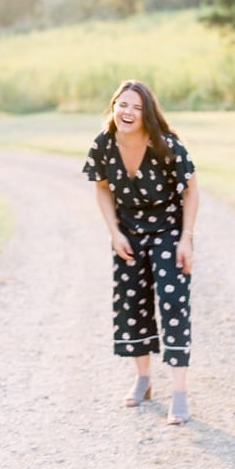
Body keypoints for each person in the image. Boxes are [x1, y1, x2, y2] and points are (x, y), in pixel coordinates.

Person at [82, 79, 199, 425]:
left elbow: (191, 192)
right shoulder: (103, 144)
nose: (128, 112)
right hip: (128, 232)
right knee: (132, 303)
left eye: (136, 107)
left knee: (173, 300)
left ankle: (179, 392)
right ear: (113, 106)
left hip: (168, 229)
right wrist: (114, 232)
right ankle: (144, 379)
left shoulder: (167, 146)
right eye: (122, 104)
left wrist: (186, 239)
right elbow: (102, 189)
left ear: (146, 113)